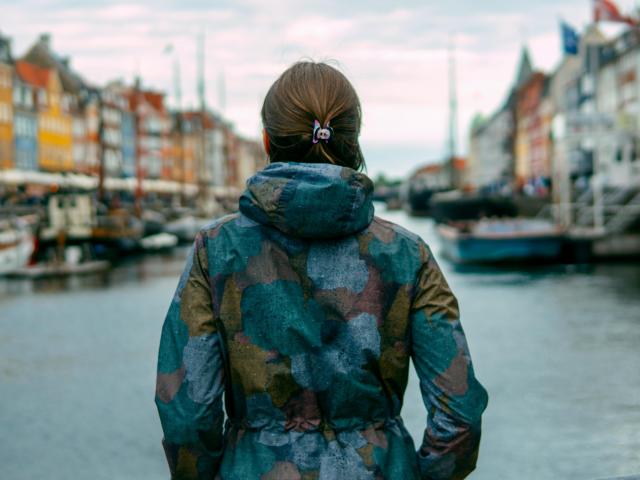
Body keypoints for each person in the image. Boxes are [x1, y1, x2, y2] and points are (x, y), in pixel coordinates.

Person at [155, 61, 488, 480]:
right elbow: (459, 416)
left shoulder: (216, 251)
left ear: (266, 140)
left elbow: (187, 413)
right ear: (354, 143)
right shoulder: (408, 254)